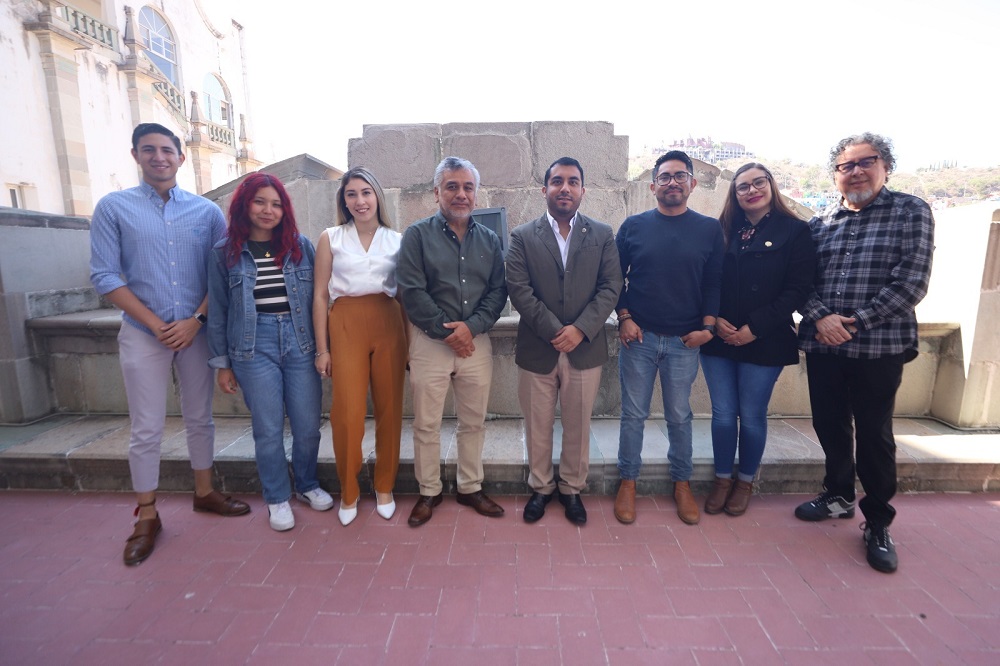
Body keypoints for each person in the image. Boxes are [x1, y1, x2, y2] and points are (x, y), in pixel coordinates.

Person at [90, 123, 250, 566]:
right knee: (146, 426)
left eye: (166, 150)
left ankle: (204, 491)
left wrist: (196, 320)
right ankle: (146, 514)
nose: (158, 157)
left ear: (181, 157)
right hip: (145, 333)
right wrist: (156, 324)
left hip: (195, 331)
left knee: (201, 417)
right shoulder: (113, 208)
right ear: (136, 155)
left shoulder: (206, 213)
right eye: (149, 150)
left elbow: (221, 273)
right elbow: (105, 275)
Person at [794, 133, 934, 574]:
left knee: (874, 436)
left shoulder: (910, 212)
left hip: (878, 345)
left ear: (884, 166)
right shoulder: (821, 224)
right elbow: (801, 283)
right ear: (835, 176)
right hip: (824, 345)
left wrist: (854, 321)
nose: (854, 171)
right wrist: (821, 317)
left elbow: (912, 281)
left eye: (864, 162)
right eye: (845, 166)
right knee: (829, 424)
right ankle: (837, 495)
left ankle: (877, 521)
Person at [207, 173, 333, 532]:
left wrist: (325, 349)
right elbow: (218, 311)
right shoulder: (225, 253)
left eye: (276, 204)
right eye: (260, 202)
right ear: (245, 204)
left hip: (300, 340)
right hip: (252, 345)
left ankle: (306, 484)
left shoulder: (301, 246)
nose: (268, 210)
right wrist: (222, 364)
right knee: (268, 427)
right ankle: (277, 497)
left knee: (308, 425)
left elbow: (320, 299)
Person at [506, 157, 622, 525]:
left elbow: (611, 286)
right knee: (537, 424)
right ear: (545, 190)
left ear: (583, 191)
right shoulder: (522, 236)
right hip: (538, 348)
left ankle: (572, 488)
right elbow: (519, 291)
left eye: (573, 182)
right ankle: (541, 487)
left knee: (578, 425)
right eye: (557, 181)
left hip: (585, 349)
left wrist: (581, 328)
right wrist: (557, 330)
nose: (565, 188)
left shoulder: (602, 234)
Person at [614, 150, 725, 526]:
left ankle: (682, 484)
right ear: (653, 185)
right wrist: (624, 317)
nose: (672, 182)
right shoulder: (633, 226)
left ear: (692, 184)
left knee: (680, 416)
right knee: (633, 415)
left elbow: (713, 282)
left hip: (684, 342)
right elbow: (614, 279)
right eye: (665, 177)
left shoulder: (709, 230)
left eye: (680, 176)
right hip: (639, 338)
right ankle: (627, 482)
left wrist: (708, 328)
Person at [699, 163, 816, 517]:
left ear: (771, 186)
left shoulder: (795, 231)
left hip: (765, 338)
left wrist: (754, 327)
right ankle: (722, 479)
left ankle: (745, 480)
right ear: (734, 196)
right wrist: (715, 320)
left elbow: (798, 290)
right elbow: (706, 279)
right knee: (721, 415)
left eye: (758, 183)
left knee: (750, 415)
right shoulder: (722, 231)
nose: (751, 191)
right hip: (719, 337)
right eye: (742, 187)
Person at [396, 156, 508, 527]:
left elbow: (497, 292)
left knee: (473, 422)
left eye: (468, 187)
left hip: (475, 344)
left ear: (476, 193)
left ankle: (469, 487)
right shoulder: (417, 235)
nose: (461, 194)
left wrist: (470, 329)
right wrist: (449, 333)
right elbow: (411, 291)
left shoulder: (490, 239)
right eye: (452, 187)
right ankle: (429, 492)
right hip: (430, 343)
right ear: (437, 192)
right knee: (426, 423)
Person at [313, 168, 408, 526]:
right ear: (344, 201)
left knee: (390, 408)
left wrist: (410, 343)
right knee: (347, 413)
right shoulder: (331, 238)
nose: (360, 200)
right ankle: (349, 490)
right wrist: (323, 349)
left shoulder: (396, 239)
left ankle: (385, 486)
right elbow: (320, 295)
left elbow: (403, 293)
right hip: (346, 322)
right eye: (351, 194)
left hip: (388, 321)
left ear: (377, 197)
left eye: (366, 192)